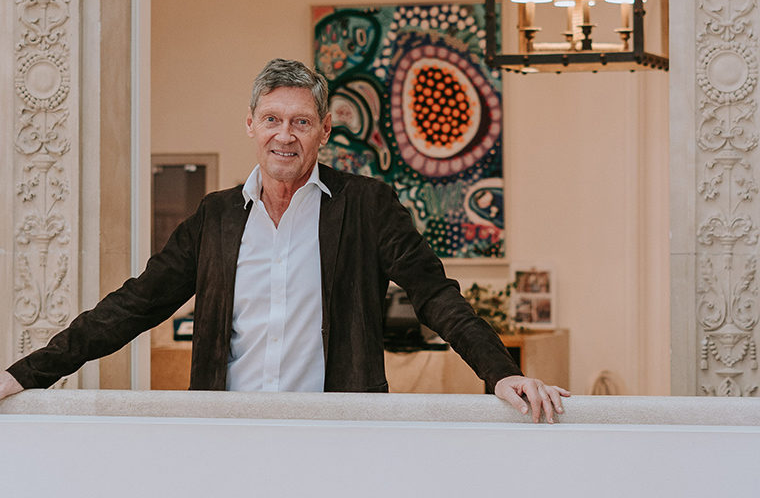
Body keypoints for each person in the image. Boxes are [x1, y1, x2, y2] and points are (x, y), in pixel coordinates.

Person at [0, 58, 569, 422]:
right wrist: (24, 375)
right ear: (250, 124)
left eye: (301, 122)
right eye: (272, 119)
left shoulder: (367, 205)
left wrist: (501, 372)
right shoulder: (217, 216)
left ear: (324, 130)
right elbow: (133, 305)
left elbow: (435, 295)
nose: (285, 135)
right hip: (227, 432)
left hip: (337, 431)